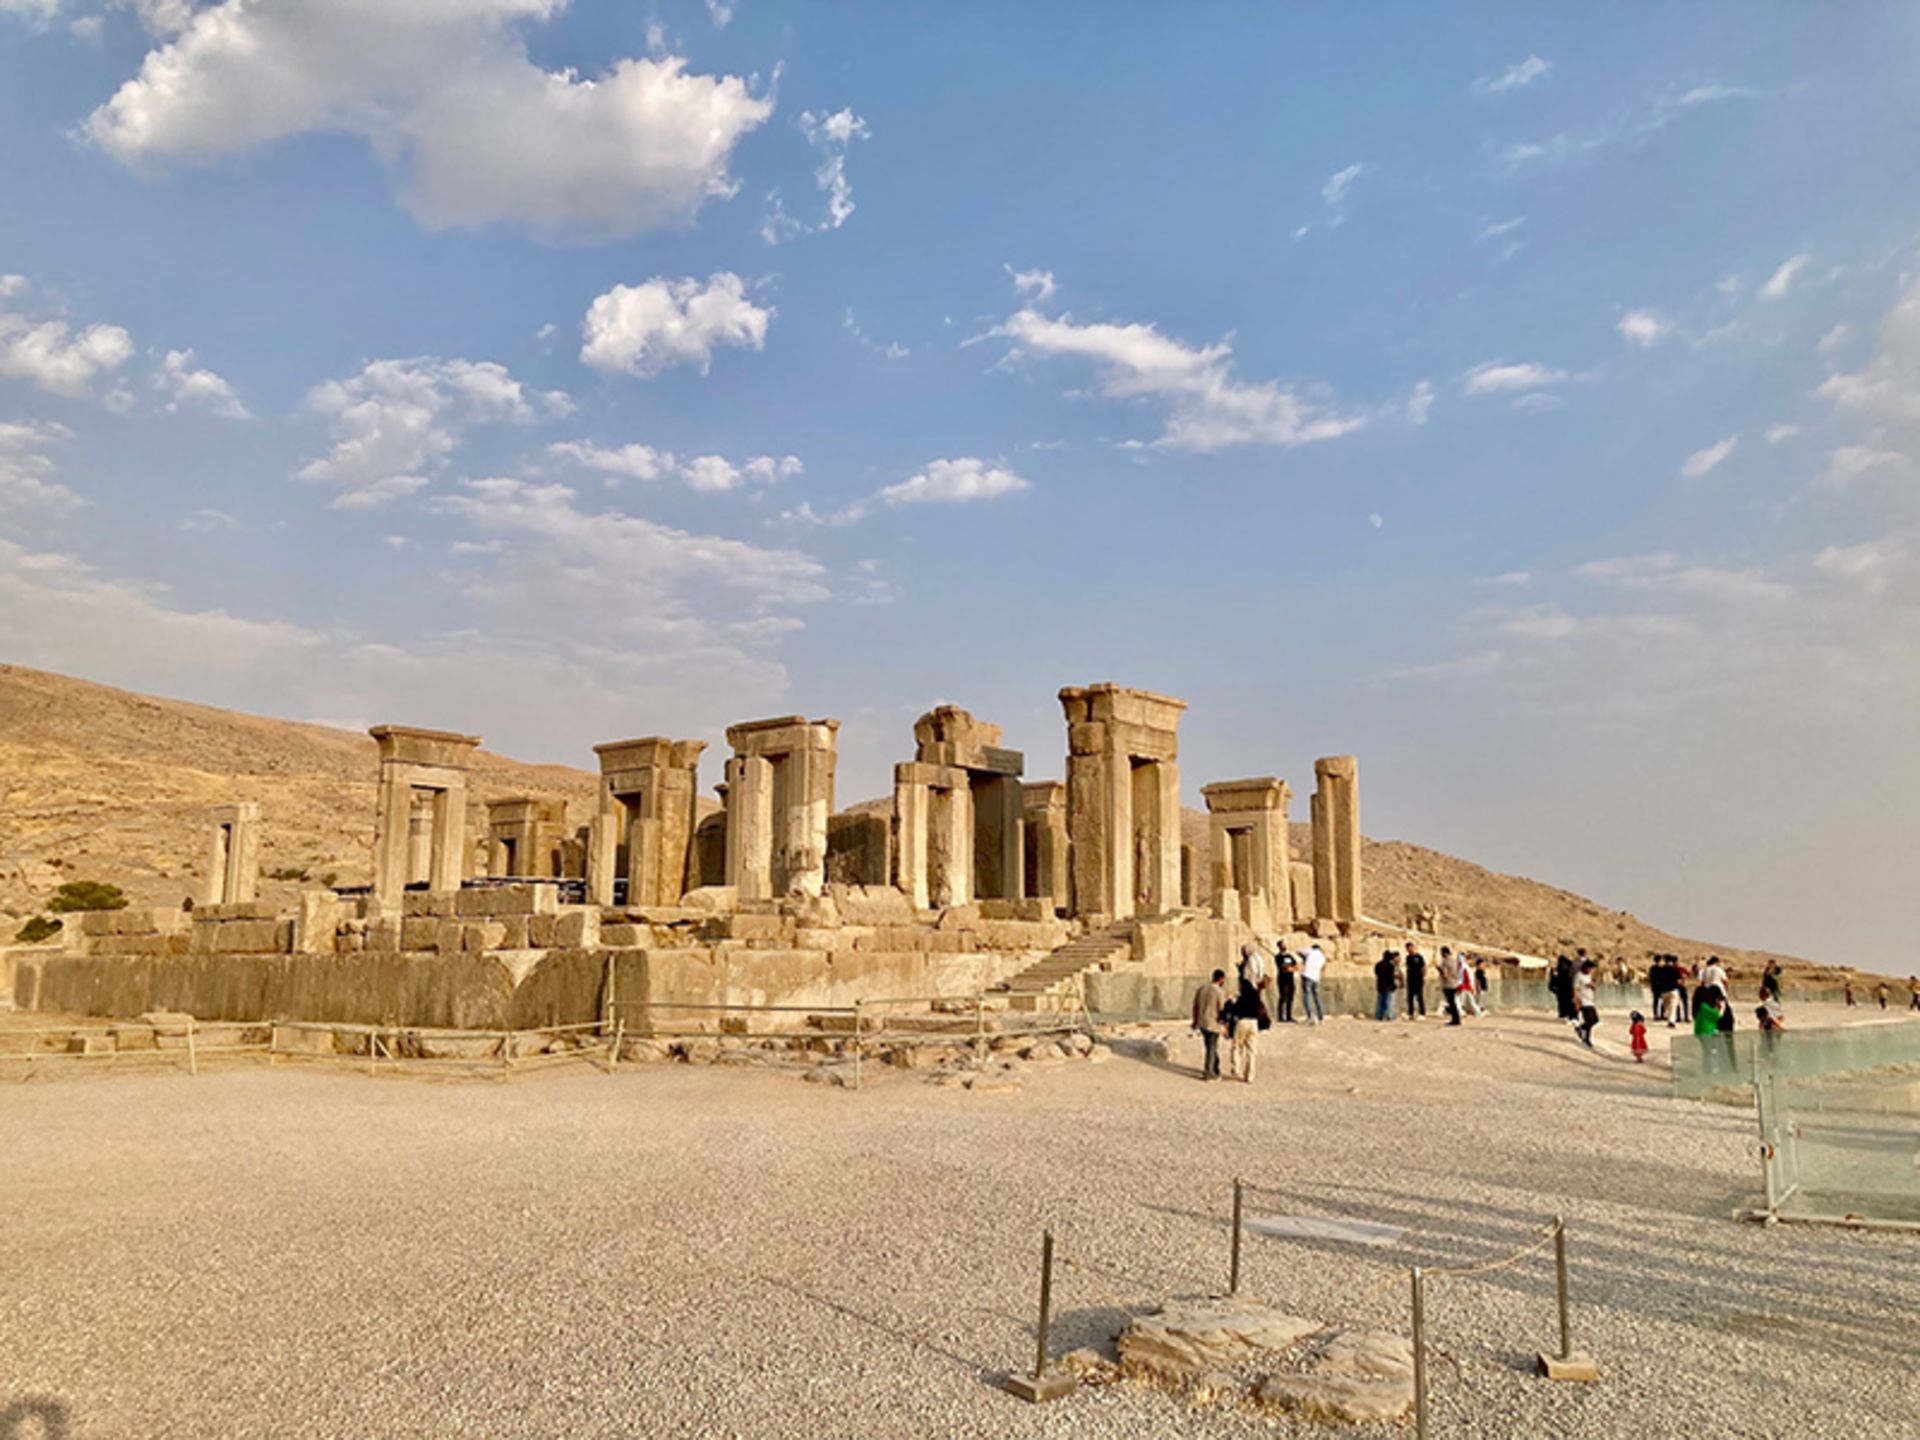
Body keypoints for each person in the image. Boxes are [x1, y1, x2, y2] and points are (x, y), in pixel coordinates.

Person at [1228, 949, 1270, 1083]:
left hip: (1243, 1022)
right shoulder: (1256, 995)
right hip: (1254, 1023)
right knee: (1252, 1051)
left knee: (1237, 1046)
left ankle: (1236, 1068)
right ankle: (1250, 1076)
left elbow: (1236, 1008)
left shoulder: (1243, 995)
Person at [1191, 970, 1228, 1081]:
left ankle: (1215, 1068)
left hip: (1202, 1021)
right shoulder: (1218, 991)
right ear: (1221, 979)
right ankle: (1209, 1072)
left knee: (1210, 1046)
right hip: (1213, 1022)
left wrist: (1195, 1020)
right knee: (1211, 1048)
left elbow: (1195, 1006)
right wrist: (1225, 1025)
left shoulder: (1202, 988)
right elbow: (1221, 1009)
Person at [1435, 946, 1465, 1025]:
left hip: (1448, 984)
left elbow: (1445, 975)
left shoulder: (1445, 961)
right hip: (1455, 983)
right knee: (1453, 1002)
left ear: (1444, 953)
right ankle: (1456, 1019)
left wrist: (1439, 969)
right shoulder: (1455, 961)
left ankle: (1455, 1020)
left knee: (1451, 1003)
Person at [1573, 960, 1600, 1048]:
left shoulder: (1588, 976)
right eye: (1589, 968)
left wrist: (1592, 986)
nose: (1590, 970)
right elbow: (1575, 989)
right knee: (1589, 1020)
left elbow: (1591, 986)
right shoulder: (1578, 976)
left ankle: (1581, 1028)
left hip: (1590, 1000)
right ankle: (1586, 1039)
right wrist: (1577, 1001)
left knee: (1595, 1020)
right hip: (1583, 1001)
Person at [1300, 941, 1327, 1025]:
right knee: (1317, 997)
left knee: (1306, 997)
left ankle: (1310, 1016)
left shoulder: (1311, 952)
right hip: (1316, 978)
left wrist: (1304, 958)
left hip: (1307, 976)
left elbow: (1298, 950)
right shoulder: (1322, 957)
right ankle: (1321, 1017)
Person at [1374, 949, 1401, 1022]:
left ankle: (1379, 1015)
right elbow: (1390, 976)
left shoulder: (1378, 964)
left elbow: (1376, 973)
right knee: (1390, 1002)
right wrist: (1393, 985)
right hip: (1389, 986)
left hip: (1380, 985)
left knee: (1380, 1002)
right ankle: (1390, 1016)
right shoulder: (1390, 965)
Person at [1274, 945, 1298, 1024]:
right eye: (1282, 945)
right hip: (1282, 979)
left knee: (1290, 997)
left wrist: (1291, 968)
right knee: (1283, 997)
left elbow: (1296, 965)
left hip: (1290, 979)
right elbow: (1282, 966)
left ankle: (1289, 1016)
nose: (1284, 946)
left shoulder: (1289, 956)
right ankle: (1280, 1016)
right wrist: (1288, 967)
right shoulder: (1278, 957)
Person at [1404, 944, 1428, 1020]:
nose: (1409, 950)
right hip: (1410, 980)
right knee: (1410, 997)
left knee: (1419, 997)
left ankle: (1422, 1013)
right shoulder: (1408, 958)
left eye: (1410, 948)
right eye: (1407, 948)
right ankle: (1411, 1013)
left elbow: (1424, 967)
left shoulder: (1419, 957)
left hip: (1418, 979)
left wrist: (1424, 977)